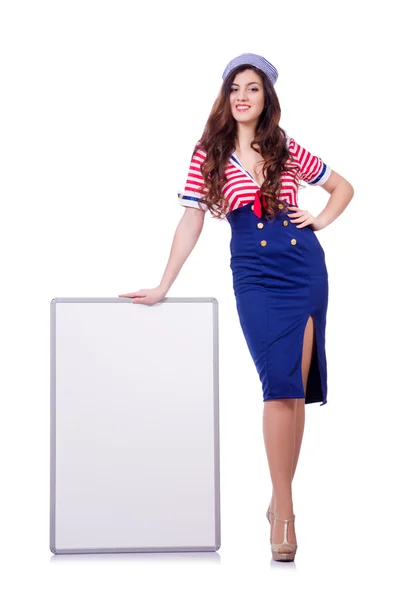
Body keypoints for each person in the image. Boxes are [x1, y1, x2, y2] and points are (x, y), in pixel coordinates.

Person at [119, 53, 354, 561]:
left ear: (266, 97)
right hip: (255, 276)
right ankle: (286, 511)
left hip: (304, 269)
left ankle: (280, 502)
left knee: (293, 391)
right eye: (234, 89)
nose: (242, 96)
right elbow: (191, 222)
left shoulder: (286, 147)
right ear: (226, 98)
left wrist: (321, 218)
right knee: (277, 384)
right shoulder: (209, 153)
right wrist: (164, 284)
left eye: (252, 88)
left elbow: (342, 186)